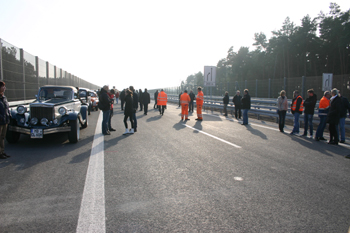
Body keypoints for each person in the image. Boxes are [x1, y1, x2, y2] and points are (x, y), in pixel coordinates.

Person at [0, 81, 10, 159]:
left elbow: (6, 108)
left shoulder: (4, 98)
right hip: (0, 121)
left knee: (3, 137)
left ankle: (2, 152)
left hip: (4, 120)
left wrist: (8, 116)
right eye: (3, 86)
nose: (4, 88)